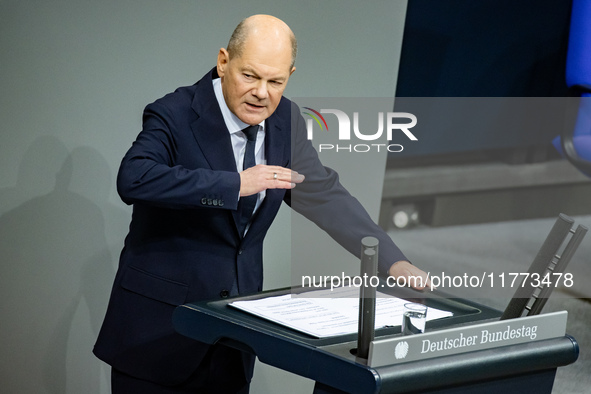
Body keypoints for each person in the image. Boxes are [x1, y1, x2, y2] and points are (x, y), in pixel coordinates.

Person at [94, 14, 430, 393]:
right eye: (250, 76)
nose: (262, 93)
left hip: (234, 336)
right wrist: (236, 184)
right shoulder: (174, 112)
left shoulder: (286, 119)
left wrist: (393, 259)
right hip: (159, 332)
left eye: (276, 82)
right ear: (224, 61)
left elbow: (324, 195)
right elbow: (135, 178)